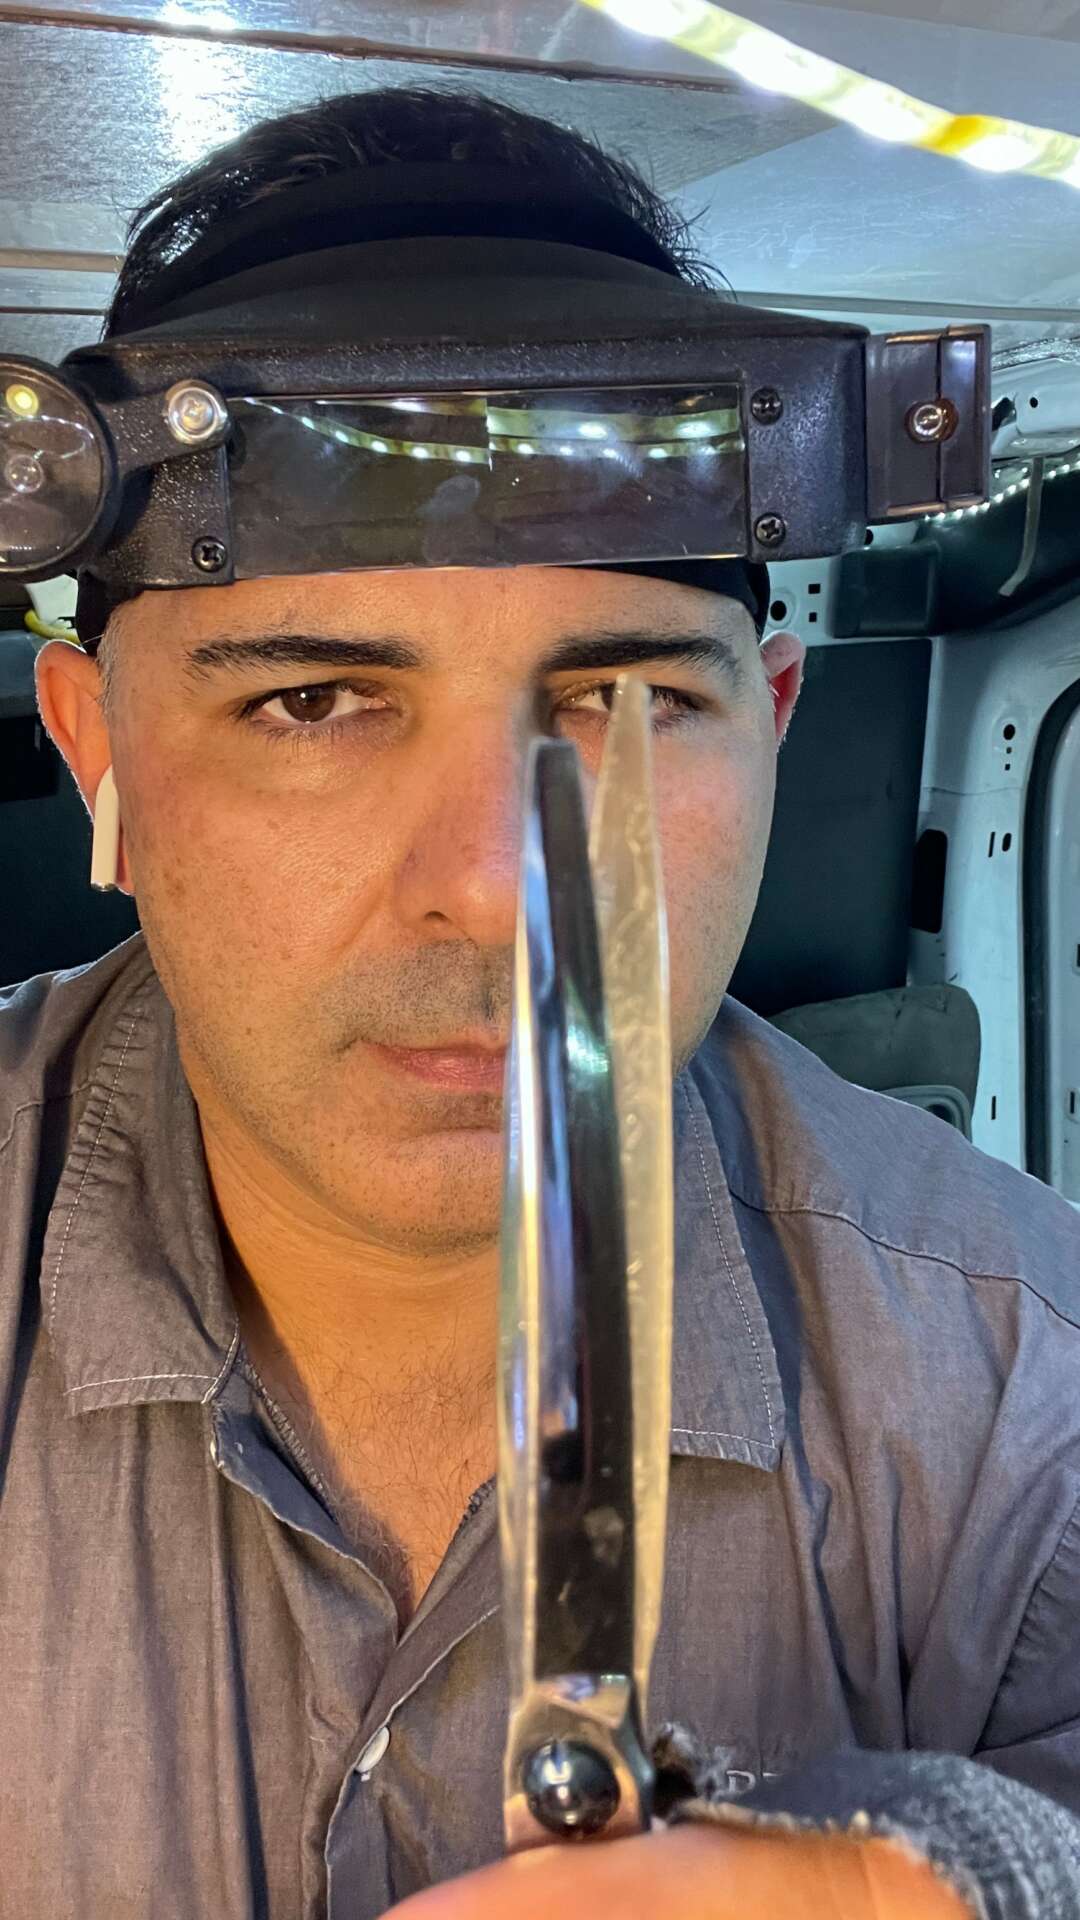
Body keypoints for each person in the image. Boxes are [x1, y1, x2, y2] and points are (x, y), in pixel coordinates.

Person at [3, 85, 1080, 1920]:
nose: (500, 888)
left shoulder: (1024, 1375)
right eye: (311, 704)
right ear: (98, 753)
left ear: (773, 730)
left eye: (630, 704)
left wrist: (943, 1874)